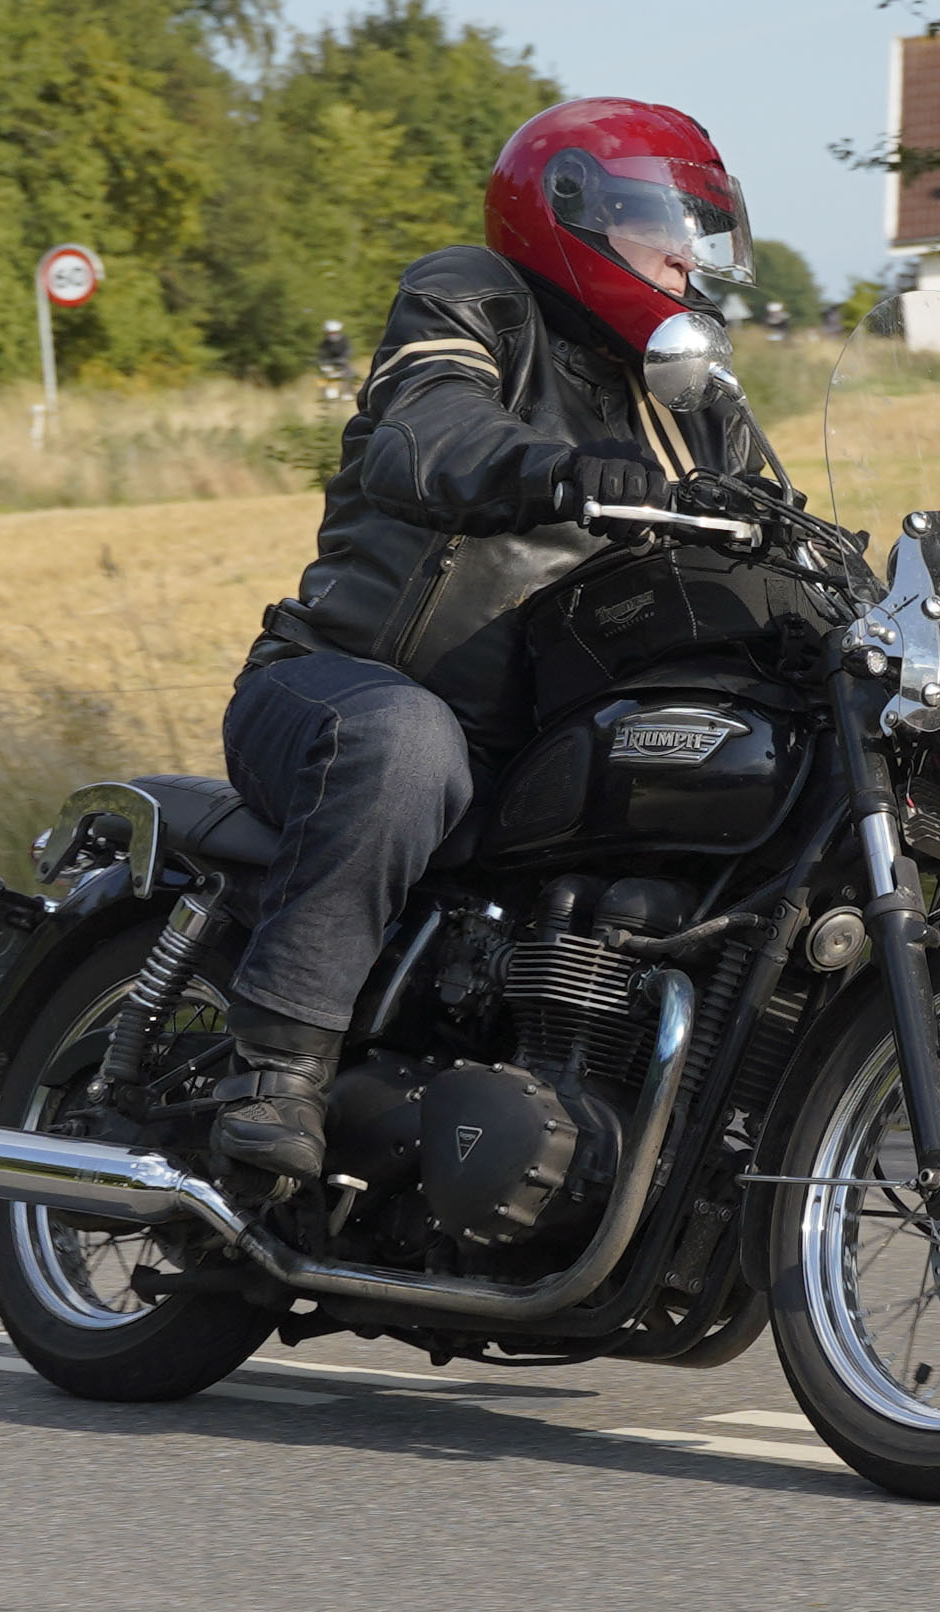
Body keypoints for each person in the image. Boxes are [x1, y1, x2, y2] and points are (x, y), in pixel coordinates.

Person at [211, 97, 764, 1183]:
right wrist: (559, 471)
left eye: (697, 227)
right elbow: (427, 432)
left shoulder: (692, 398)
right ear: (572, 212)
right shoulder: (476, 298)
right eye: (659, 221)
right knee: (405, 745)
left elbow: (769, 522)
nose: (684, 253)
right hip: (345, 686)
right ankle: (275, 1068)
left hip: (536, 742)